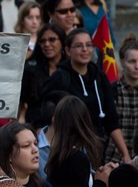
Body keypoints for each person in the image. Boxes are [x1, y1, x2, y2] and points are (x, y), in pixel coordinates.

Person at [42, 28, 131, 162]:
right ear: (67, 51)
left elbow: (111, 119)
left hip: (97, 148)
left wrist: (125, 155)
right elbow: (44, 112)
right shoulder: (60, 77)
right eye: (79, 46)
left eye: (89, 45)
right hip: (70, 150)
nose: (85, 49)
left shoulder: (99, 76)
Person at [45, 95, 117, 187]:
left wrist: (97, 175)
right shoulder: (76, 158)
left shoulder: (58, 155)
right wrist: (100, 183)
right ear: (84, 121)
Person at [20, 23, 66, 126]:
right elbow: (21, 101)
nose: (47, 44)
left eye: (52, 40)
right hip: (35, 127)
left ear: (62, 41)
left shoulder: (70, 69)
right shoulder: (30, 69)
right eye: (42, 41)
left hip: (66, 125)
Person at [106, 35, 138, 163]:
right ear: (122, 62)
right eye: (132, 61)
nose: (137, 66)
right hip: (113, 158)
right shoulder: (112, 90)